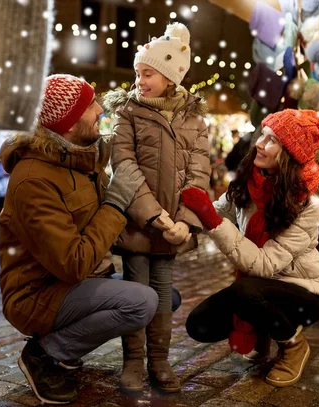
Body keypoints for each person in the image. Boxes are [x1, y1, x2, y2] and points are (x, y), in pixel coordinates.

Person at [0, 74, 159, 405]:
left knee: (166, 299)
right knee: (142, 302)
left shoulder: (78, 156)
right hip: (36, 294)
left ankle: (64, 346)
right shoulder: (33, 180)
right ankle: (44, 354)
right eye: (90, 105)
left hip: (73, 282)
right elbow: (72, 262)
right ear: (69, 123)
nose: (99, 109)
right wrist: (116, 203)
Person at [181, 109, 319, 387]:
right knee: (200, 324)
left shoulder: (308, 202)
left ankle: (293, 346)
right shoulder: (251, 180)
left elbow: (265, 264)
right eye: (262, 135)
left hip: (304, 291)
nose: (259, 143)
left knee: (244, 291)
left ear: (291, 154)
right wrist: (178, 216)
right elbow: (220, 210)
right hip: (262, 285)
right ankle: (264, 330)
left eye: (271, 140)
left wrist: (211, 220)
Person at [102, 22, 210, 393]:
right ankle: (133, 360)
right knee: (137, 290)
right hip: (139, 222)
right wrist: (154, 215)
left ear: (169, 77)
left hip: (172, 226)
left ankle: (159, 359)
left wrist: (184, 221)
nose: (140, 80)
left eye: (147, 73)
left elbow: (199, 173)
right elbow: (125, 165)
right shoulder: (128, 112)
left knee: (163, 291)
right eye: (137, 73)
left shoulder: (193, 119)